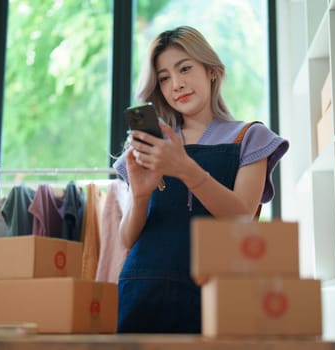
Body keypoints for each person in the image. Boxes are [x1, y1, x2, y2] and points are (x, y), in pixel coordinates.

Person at [113, 25, 289, 333]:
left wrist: (185, 168)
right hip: (143, 292)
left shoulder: (249, 138)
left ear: (211, 70)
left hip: (216, 297)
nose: (176, 84)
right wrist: (140, 197)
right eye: (164, 77)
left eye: (184, 69)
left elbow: (242, 218)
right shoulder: (152, 144)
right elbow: (127, 239)